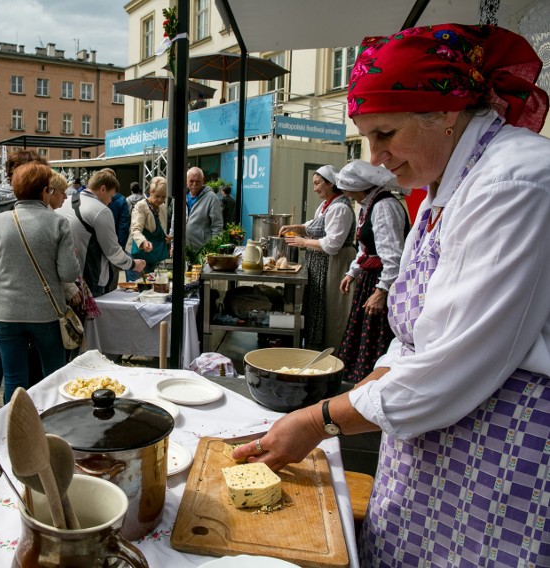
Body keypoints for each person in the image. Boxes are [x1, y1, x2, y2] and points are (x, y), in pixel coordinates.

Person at [233, 24, 550, 567]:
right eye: (367, 138)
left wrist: (317, 421)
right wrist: (352, 398)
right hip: (431, 443)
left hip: (496, 452)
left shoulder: (514, 183)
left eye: (385, 133)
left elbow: (451, 367)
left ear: (446, 111)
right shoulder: (444, 185)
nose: (376, 157)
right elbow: (414, 338)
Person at [0, 162, 80, 404]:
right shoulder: (57, 223)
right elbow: (67, 272)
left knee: (14, 379)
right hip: (45, 312)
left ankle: (14, 428)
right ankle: (52, 421)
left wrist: (10, 275)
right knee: (53, 374)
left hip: (6, 313)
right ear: (45, 190)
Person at [335, 160, 408, 383]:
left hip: (381, 281)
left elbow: (393, 254)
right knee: (363, 334)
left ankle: (374, 384)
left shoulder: (384, 206)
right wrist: (353, 272)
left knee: (376, 335)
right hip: (371, 280)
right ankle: (360, 381)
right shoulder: (369, 205)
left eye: (347, 188)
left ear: (359, 186)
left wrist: (381, 291)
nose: (345, 193)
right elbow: (366, 248)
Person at [280, 165, 355, 349]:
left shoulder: (341, 208)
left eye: (317, 183)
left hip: (334, 265)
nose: (314, 189)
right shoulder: (327, 204)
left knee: (331, 311)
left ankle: (331, 352)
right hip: (321, 264)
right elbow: (314, 224)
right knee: (317, 308)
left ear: (330, 183)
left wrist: (302, 242)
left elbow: (332, 245)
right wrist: (296, 228)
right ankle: (315, 347)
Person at [58, 169, 146, 297]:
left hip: (64, 280)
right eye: (111, 196)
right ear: (103, 189)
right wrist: (133, 264)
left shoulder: (65, 200)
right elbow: (113, 252)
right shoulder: (101, 210)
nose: (110, 201)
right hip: (89, 282)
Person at [126, 176, 170, 280]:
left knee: (150, 287)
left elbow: (160, 230)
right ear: (150, 191)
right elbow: (135, 229)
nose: (160, 200)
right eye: (157, 196)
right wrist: (143, 242)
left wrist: (166, 238)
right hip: (135, 255)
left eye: (163, 197)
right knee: (135, 287)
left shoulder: (163, 207)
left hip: (152, 256)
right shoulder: (140, 207)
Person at [171, 166, 223, 251]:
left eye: (198, 181)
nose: (194, 184)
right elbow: (174, 223)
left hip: (203, 251)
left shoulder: (212, 198)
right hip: (182, 250)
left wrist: (214, 249)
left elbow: (217, 226)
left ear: (203, 180)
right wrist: (173, 244)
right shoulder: (180, 197)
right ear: (186, 181)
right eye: (191, 181)